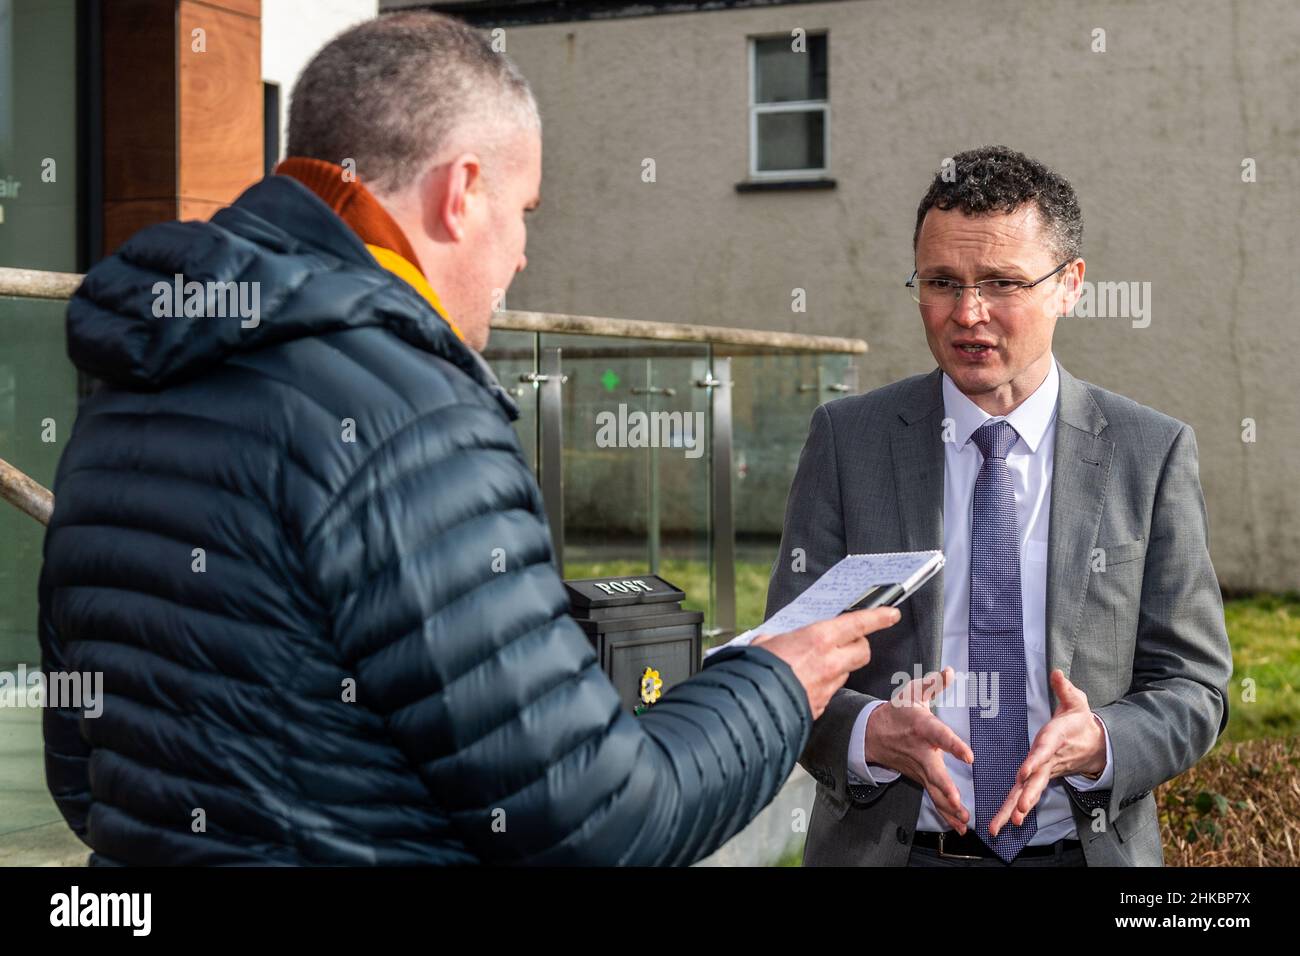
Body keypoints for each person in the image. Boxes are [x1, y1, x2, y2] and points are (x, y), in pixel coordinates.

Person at [37, 11, 898, 866]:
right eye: (524, 211)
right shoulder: (414, 414)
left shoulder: (128, 390)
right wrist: (778, 684)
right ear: (460, 193)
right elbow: (599, 823)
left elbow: (88, 782)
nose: (522, 253)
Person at [768, 145, 1233, 867]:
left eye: (1002, 283)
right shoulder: (846, 441)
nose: (967, 314)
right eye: (941, 282)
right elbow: (784, 670)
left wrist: (1103, 742)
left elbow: (1195, 685)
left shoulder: (1151, 451)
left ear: (1070, 285)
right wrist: (871, 735)